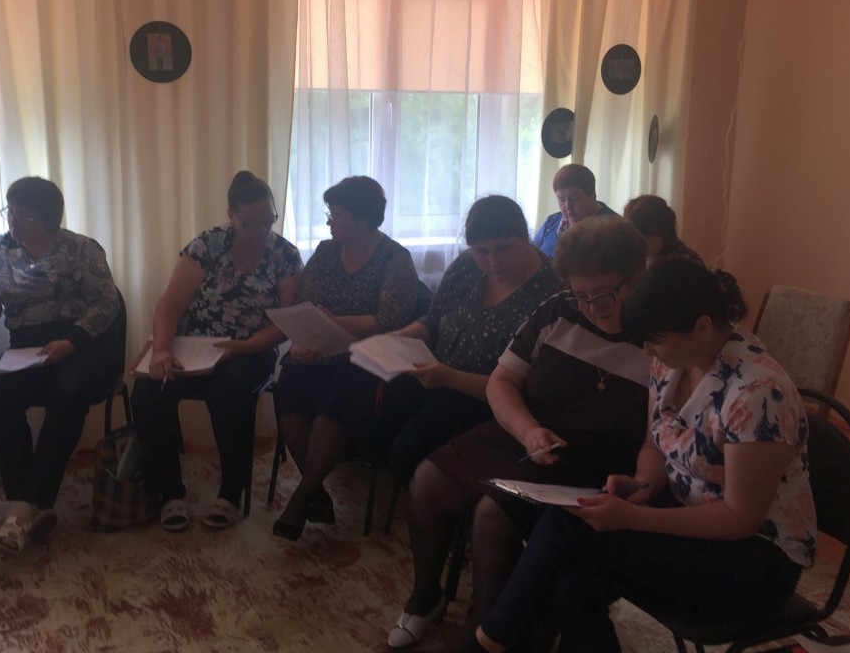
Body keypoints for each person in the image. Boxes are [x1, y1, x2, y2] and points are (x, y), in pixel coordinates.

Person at [464, 261, 815, 653]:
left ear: (702, 327)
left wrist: (634, 517)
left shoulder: (758, 393)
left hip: (753, 561)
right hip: (690, 519)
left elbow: (739, 518)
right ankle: (496, 640)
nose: (646, 351)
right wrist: (642, 486)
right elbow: (654, 446)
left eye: (655, 340)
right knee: (572, 580)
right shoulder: (672, 361)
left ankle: (488, 643)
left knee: (570, 525)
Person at [388, 217, 650, 649]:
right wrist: (528, 431)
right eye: (580, 294)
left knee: (493, 514)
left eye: (604, 294)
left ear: (637, 276)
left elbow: (660, 434)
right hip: (528, 430)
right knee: (428, 481)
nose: (591, 308)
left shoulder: (658, 335)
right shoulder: (558, 310)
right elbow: (502, 381)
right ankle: (426, 596)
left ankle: (488, 630)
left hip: (597, 458)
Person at [343, 195, 564, 491]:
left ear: (525, 237)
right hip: (435, 373)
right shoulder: (467, 266)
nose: (493, 262)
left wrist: (450, 377)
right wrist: (395, 339)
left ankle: (418, 496)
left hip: (484, 398)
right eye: (482, 251)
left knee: (407, 449)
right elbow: (432, 321)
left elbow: (526, 387)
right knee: (361, 417)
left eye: (503, 249)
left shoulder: (550, 294)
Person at [0, 177, 122, 555]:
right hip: (27, 347)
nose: (11, 220)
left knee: (68, 396)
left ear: (46, 218)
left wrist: (72, 341)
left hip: (84, 344)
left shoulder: (81, 249)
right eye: (9, 211)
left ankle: (19, 514)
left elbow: (107, 303)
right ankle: (32, 504)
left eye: (22, 215)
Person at [130, 171, 303, 531]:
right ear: (231, 217)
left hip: (251, 348)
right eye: (251, 223)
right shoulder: (208, 245)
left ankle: (230, 493)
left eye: (268, 219)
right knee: (148, 390)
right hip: (194, 346)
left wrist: (246, 346)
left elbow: (287, 321)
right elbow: (169, 305)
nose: (262, 230)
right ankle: (170, 492)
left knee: (229, 394)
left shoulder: (284, 254)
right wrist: (161, 351)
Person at [272, 176, 419, 541]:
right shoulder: (326, 252)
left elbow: (391, 320)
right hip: (320, 348)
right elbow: (306, 304)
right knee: (288, 385)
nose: (329, 221)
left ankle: (301, 498)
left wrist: (336, 322)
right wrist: (301, 341)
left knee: (334, 400)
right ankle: (316, 493)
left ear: (363, 218)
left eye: (336, 214)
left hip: (366, 357)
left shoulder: (395, 259)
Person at [530, 164, 617, 257]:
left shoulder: (613, 229)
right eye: (562, 199)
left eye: (574, 198)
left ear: (592, 196)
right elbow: (532, 255)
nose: (568, 206)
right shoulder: (552, 222)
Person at [622, 193, 705, 268]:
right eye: (633, 237)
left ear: (665, 232)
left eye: (645, 239)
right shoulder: (638, 254)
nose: (636, 244)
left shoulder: (688, 265)